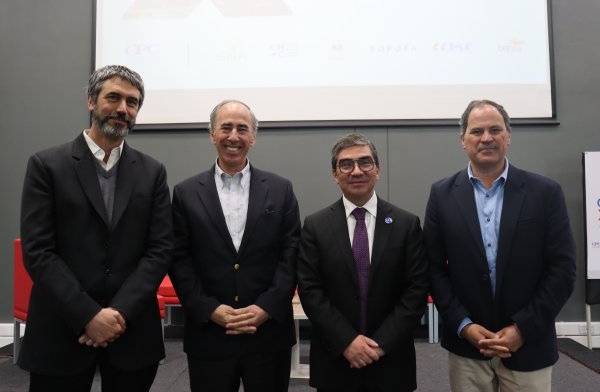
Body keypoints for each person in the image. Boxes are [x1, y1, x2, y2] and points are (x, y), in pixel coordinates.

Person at [18, 65, 173, 391]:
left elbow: (159, 250)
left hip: (131, 332)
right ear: (91, 100)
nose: (122, 109)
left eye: (132, 103)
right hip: (61, 329)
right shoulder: (47, 166)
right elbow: (39, 252)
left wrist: (116, 314)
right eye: (113, 97)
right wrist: (89, 315)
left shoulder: (152, 172)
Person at [424, 99, 577, 392]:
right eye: (477, 131)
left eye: (495, 129)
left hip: (528, 345)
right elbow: (433, 270)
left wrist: (522, 329)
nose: (486, 138)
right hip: (468, 346)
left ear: (508, 136)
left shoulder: (545, 193)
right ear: (463, 140)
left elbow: (562, 269)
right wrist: (463, 325)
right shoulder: (442, 194)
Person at [169, 99, 301, 392]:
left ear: (253, 138)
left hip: (267, 333)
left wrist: (266, 306)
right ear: (212, 134)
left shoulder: (281, 190)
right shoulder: (185, 193)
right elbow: (179, 260)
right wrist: (210, 309)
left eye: (243, 129)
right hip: (210, 334)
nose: (234, 136)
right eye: (226, 127)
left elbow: (291, 254)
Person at [297, 133, 429, 392]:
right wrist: (347, 342)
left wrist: (379, 344)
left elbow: (416, 289)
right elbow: (311, 291)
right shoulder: (315, 226)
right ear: (335, 174)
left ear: (377, 170)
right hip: (335, 359)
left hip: (391, 359)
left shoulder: (405, 224)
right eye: (346, 164)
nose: (356, 171)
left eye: (365, 162)